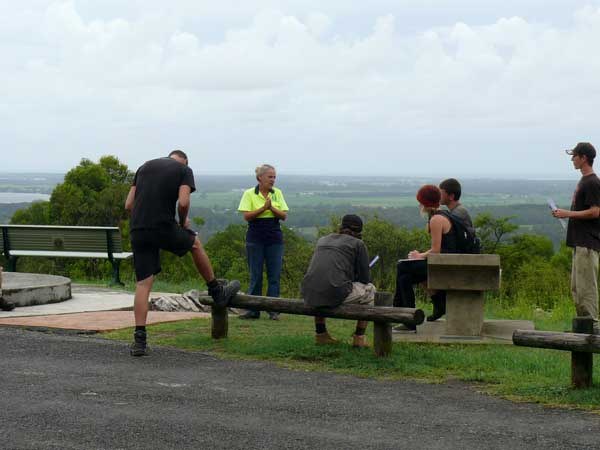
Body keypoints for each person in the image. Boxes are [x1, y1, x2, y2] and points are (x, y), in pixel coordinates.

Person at [125, 150, 240, 356]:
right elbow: (184, 202)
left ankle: (139, 340)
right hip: (162, 225)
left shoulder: (144, 167)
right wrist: (181, 223)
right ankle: (216, 291)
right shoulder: (184, 170)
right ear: (184, 161)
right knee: (194, 243)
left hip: (138, 228)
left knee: (143, 283)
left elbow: (128, 205)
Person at [301, 214, 376, 347]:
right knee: (370, 290)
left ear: (340, 227)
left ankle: (321, 333)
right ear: (359, 231)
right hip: (334, 292)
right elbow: (365, 279)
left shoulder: (323, 239)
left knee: (322, 283)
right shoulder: (358, 244)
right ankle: (359, 337)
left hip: (308, 291)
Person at [393, 185, 458, 331]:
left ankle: (403, 315)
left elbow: (436, 251)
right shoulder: (443, 214)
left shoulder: (436, 219)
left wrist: (418, 255)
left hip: (444, 264)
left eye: (420, 201)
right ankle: (407, 316)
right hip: (446, 262)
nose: (419, 205)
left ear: (425, 202)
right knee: (404, 277)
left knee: (402, 267)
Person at [552, 142, 600, 326]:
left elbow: (596, 211)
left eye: (575, 156)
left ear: (584, 158)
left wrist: (567, 214)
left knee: (586, 287)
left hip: (587, 244)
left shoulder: (593, 182)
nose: (572, 159)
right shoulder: (585, 181)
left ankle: (592, 328)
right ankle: (583, 327)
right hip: (580, 243)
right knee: (577, 288)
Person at [237, 164, 289, 320]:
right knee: (256, 274)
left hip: (274, 236)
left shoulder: (277, 193)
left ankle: (273, 310)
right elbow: (246, 216)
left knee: (274, 275)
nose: (273, 180)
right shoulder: (249, 193)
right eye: (270, 177)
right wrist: (262, 208)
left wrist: (271, 208)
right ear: (260, 177)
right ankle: (253, 310)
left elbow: (284, 216)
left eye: (274, 177)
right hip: (255, 236)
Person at [433, 177, 475, 320]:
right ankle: (440, 306)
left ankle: (440, 306)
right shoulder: (456, 211)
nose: (439, 196)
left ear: (451, 196)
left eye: (441, 193)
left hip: (463, 259)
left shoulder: (458, 214)